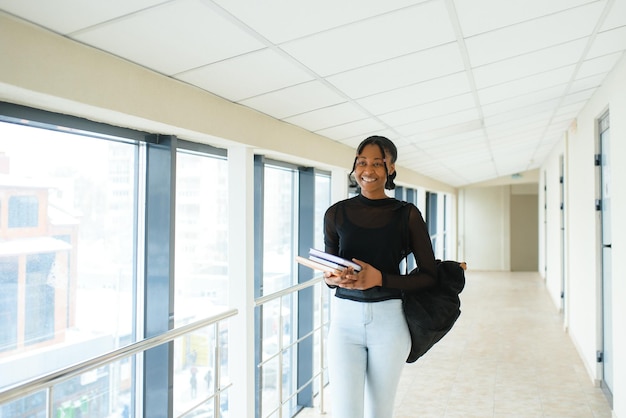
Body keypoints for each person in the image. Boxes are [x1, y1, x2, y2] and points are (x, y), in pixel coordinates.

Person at [323, 135, 437, 418]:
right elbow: (329, 272)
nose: (368, 170)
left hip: (389, 323)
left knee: (379, 413)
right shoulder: (335, 213)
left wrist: (381, 279)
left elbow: (429, 275)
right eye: (362, 162)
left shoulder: (407, 215)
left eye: (377, 163)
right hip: (344, 322)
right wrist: (334, 278)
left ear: (391, 168)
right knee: (344, 413)